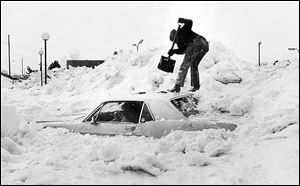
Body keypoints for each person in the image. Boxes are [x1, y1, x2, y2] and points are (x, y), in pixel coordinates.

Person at [168, 18, 209, 93]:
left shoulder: (182, 31)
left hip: (198, 41)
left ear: (175, 35)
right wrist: (173, 51)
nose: (176, 42)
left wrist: (182, 21)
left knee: (184, 65)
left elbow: (190, 22)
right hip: (204, 46)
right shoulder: (180, 42)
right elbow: (184, 50)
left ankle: (177, 86)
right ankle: (195, 86)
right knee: (194, 65)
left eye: (175, 39)